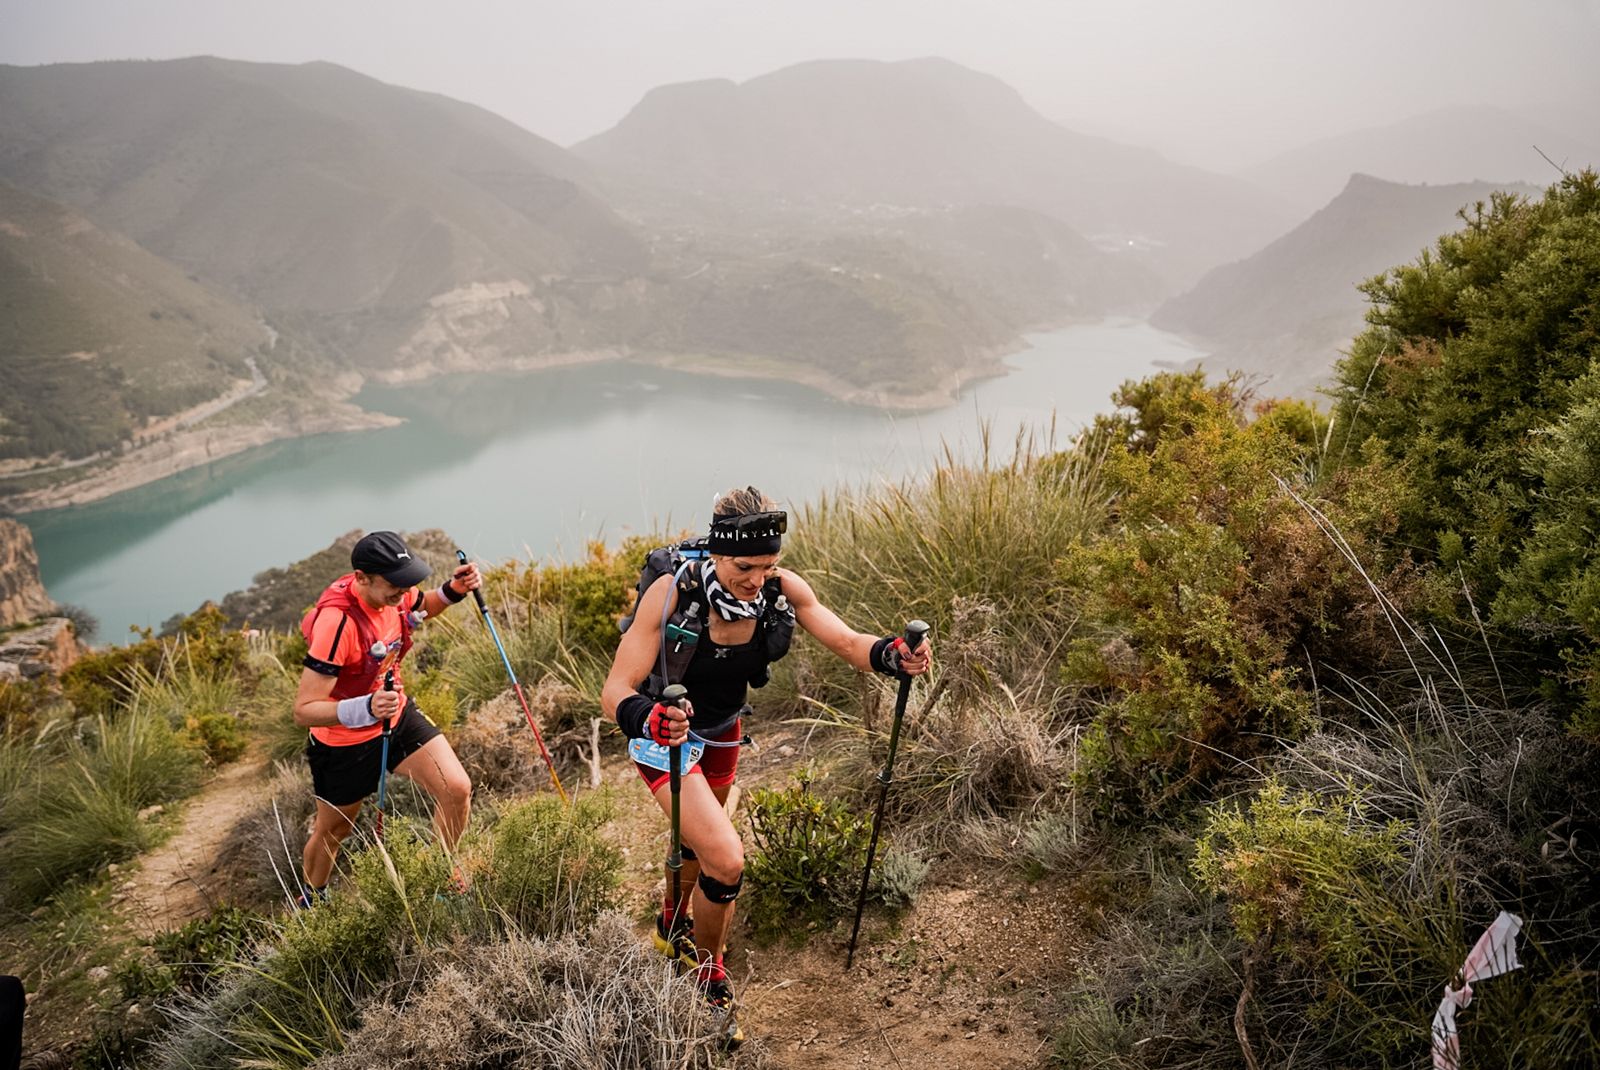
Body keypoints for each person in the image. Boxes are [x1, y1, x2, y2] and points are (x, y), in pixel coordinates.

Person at [602, 487, 932, 1045]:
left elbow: (848, 641)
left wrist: (892, 654)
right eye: (744, 567)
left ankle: (671, 924)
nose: (757, 579)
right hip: (665, 735)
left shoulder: (781, 591)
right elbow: (614, 690)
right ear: (716, 552)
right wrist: (648, 718)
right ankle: (707, 975)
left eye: (768, 565)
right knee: (726, 859)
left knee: (696, 842)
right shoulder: (672, 592)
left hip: (724, 731)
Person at [293, 531, 481, 908]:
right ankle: (313, 900)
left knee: (456, 789)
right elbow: (304, 709)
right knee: (334, 829)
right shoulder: (337, 624)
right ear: (362, 578)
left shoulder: (395, 593)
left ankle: (441, 878)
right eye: (395, 583)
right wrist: (365, 708)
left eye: (406, 580)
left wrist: (454, 590)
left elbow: (421, 604)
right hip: (343, 741)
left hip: (395, 715)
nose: (403, 590)